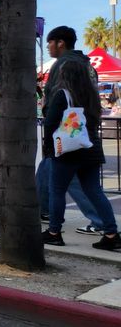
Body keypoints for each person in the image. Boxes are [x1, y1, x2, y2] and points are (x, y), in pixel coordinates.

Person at [42, 59, 120, 250]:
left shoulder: (63, 95)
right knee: (95, 191)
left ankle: (54, 232)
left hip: (69, 152)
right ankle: (111, 233)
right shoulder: (92, 96)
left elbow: (50, 122)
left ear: (64, 75)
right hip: (92, 150)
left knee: (57, 191)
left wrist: (48, 146)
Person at [37, 26, 106, 235]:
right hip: (82, 129)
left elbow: (60, 98)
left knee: (75, 181)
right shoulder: (86, 65)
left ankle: (101, 222)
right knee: (46, 171)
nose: (48, 46)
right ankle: (46, 212)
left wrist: (49, 131)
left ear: (60, 42)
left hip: (68, 131)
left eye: (50, 42)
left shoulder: (65, 65)